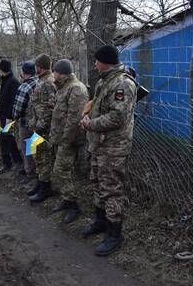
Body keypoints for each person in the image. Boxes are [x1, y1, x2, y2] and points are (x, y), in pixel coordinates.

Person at [80, 45, 136, 256]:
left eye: (96, 61)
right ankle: (101, 222)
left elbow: (118, 117)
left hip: (114, 146)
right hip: (100, 144)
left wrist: (90, 123)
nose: (94, 64)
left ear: (104, 61)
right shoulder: (105, 81)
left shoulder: (122, 83)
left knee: (111, 188)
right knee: (98, 182)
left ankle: (115, 233)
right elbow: (99, 107)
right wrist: (87, 115)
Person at [49, 59, 88, 224]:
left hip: (69, 139)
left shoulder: (76, 89)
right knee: (64, 171)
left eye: (55, 72)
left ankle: (73, 205)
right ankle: (66, 200)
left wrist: (65, 140)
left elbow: (74, 119)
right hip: (61, 138)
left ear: (61, 73)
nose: (53, 75)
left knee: (61, 170)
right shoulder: (64, 87)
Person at [27, 53, 57, 203]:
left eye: (36, 65)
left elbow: (47, 108)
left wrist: (39, 128)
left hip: (43, 129)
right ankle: (40, 183)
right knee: (38, 157)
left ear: (39, 67)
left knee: (43, 158)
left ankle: (46, 188)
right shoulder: (43, 81)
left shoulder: (46, 83)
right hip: (38, 127)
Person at [12, 61, 38, 183]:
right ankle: (34, 170)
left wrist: (14, 116)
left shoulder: (25, 86)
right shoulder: (38, 83)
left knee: (26, 148)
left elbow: (18, 107)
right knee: (34, 148)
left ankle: (30, 173)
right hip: (38, 123)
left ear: (23, 72)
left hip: (25, 123)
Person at [0, 59, 23, 174]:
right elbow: (2, 99)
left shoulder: (13, 82)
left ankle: (17, 161)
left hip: (8, 117)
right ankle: (6, 162)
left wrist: (9, 117)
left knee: (8, 137)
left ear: (2, 70)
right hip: (3, 115)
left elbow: (13, 101)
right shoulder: (5, 80)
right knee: (3, 139)